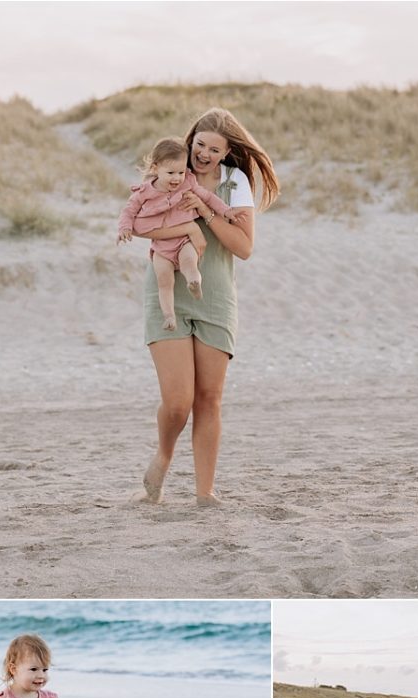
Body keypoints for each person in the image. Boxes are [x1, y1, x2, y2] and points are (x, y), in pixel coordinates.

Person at [131, 107, 279, 507]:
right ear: (191, 139)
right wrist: (187, 226)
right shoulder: (174, 173)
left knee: (209, 398)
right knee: (178, 402)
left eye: (214, 149)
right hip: (168, 291)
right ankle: (163, 455)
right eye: (200, 145)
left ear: (227, 151)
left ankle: (204, 493)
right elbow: (144, 225)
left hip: (215, 295)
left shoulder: (236, 183)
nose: (204, 155)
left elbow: (243, 247)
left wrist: (207, 214)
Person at [117, 136, 244, 331]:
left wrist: (226, 210)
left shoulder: (188, 183)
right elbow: (128, 211)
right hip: (161, 249)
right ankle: (169, 316)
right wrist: (124, 228)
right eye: (170, 173)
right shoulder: (144, 192)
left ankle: (194, 281)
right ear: (155, 168)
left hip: (185, 241)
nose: (177, 178)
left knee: (189, 262)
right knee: (164, 280)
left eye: (181, 172)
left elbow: (208, 197)